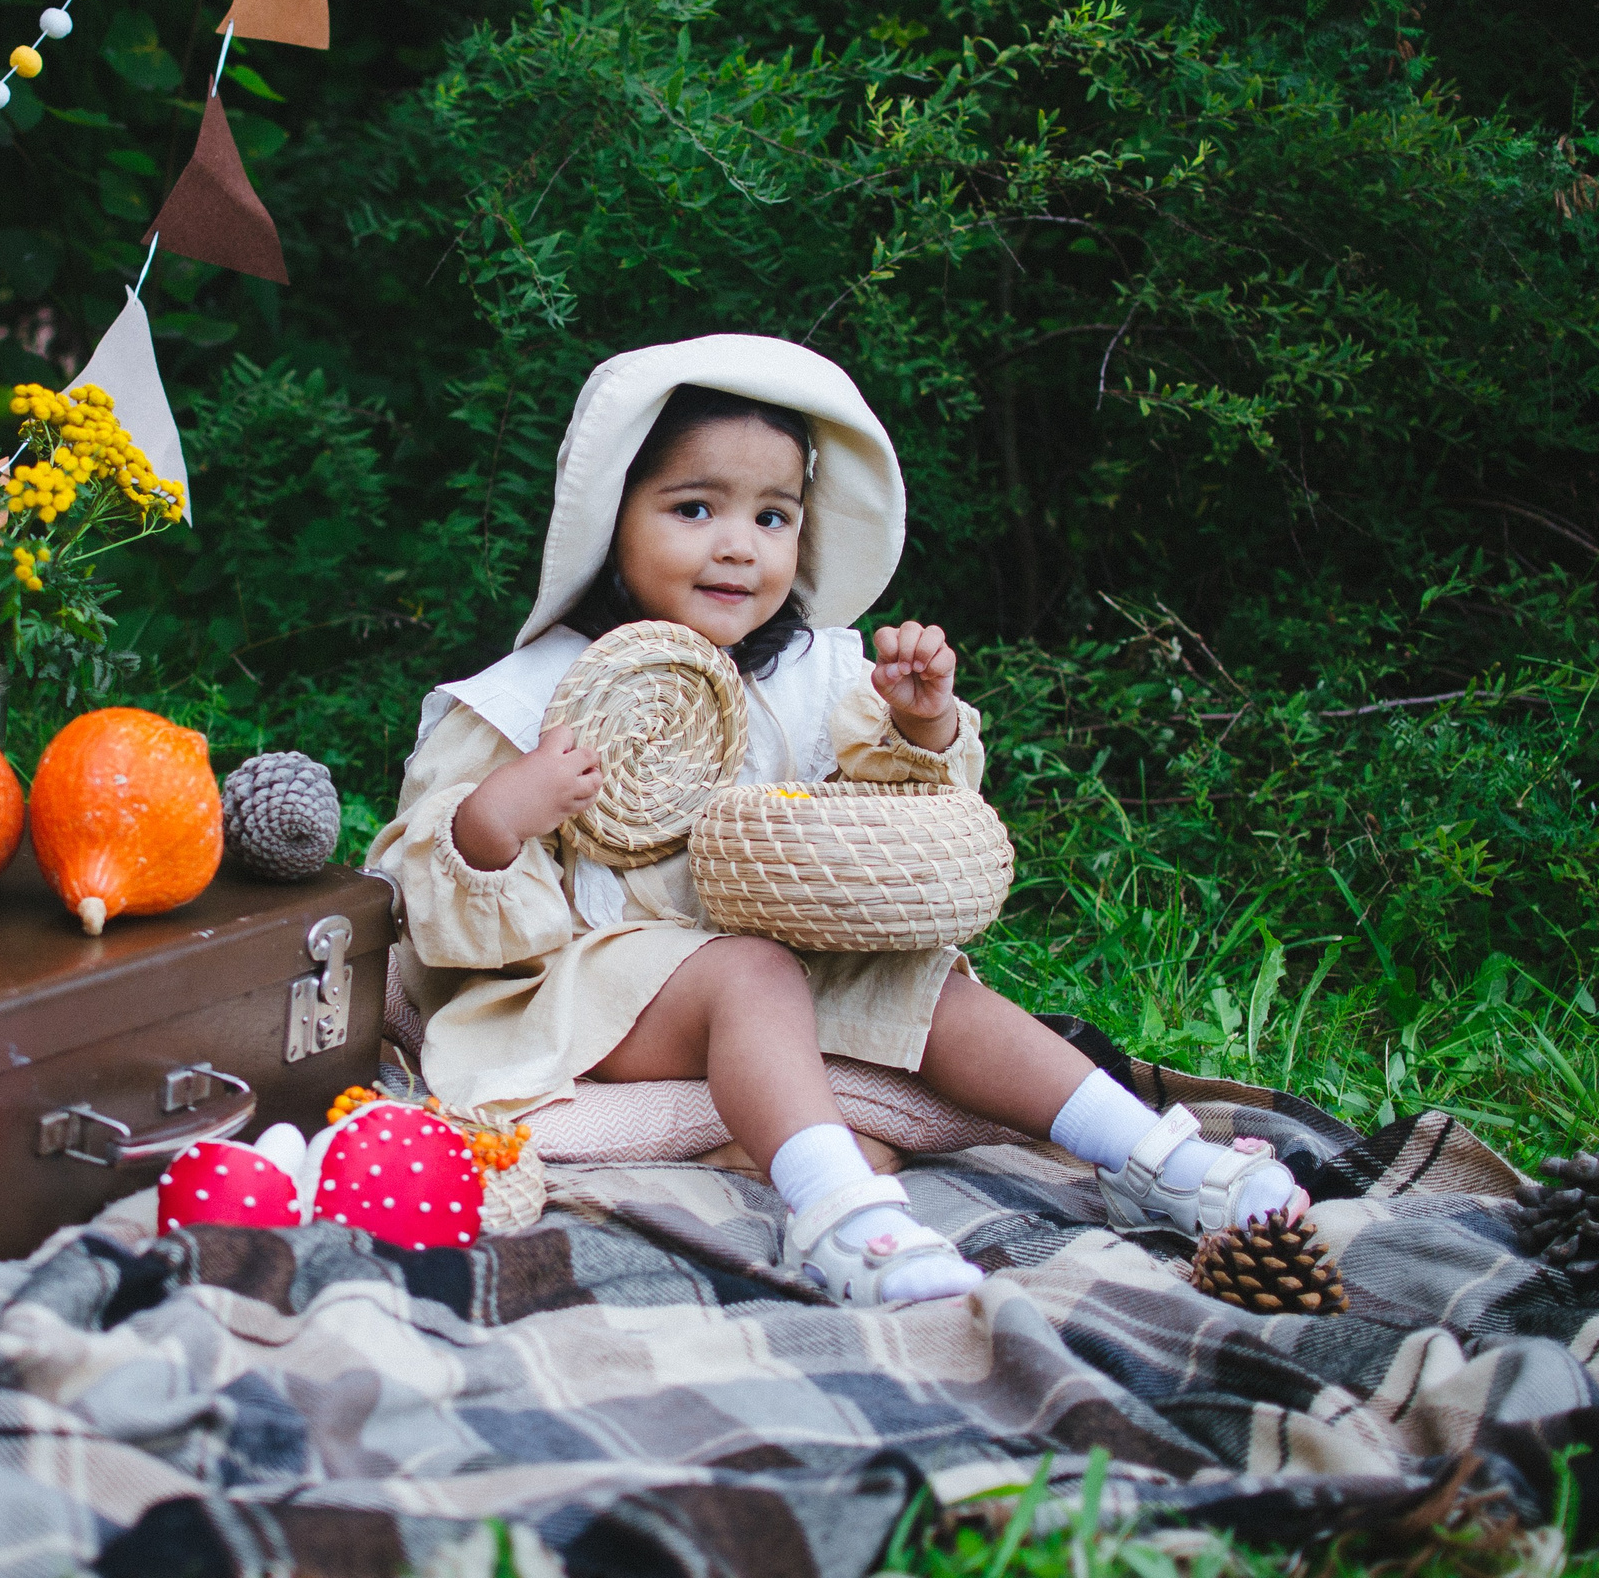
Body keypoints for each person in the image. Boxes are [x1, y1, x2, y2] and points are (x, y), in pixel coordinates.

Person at [367, 336, 1302, 1306]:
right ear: (612, 517)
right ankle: (840, 1214)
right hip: (586, 989)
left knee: (924, 988)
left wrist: (919, 723)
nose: (739, 545)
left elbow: (888, 820)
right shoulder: (529, 700)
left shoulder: (813, 678)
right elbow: (426, 902)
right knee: (750, 970)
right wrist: (498, 818)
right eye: (695, 508)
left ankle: (1147, 1153)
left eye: (772, 516)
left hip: (779, 960)